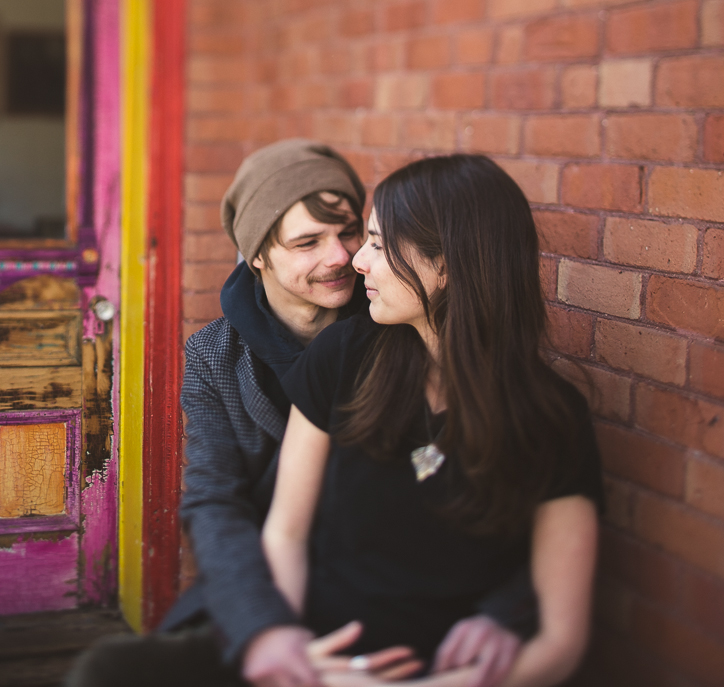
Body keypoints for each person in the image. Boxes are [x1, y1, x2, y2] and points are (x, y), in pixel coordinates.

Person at [67, 142, 534, 687]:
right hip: (275, 585)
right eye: (308, 242)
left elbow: (513, 487)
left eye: (351, 234)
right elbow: (216, 499)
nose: (340, 257)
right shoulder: (215, 356)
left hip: (402, 591)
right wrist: (265, 627)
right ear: (259, 254)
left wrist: (508, 610)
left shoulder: (400, 323)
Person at [263, 154, 604, 686]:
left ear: (445, 265)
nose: (358, 262)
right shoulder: (344, 355)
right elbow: (285, 531)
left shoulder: (549, 415)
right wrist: (299, 658)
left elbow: (560, 642)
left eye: (378, 244)